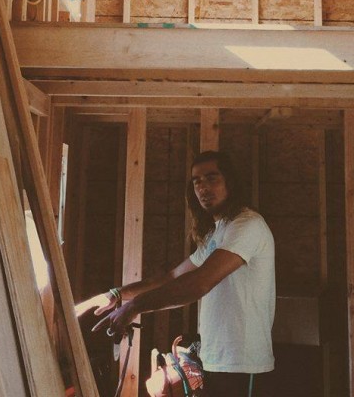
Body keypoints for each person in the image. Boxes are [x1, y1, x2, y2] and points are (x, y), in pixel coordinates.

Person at [76, 150, 276, 397]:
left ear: (230, 182)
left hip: (243, 362)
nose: (203, 188)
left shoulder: (248, 225)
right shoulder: (218, 232)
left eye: (212, 178)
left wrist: (135, 306)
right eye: (197, 182)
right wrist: (118, 295)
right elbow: (173, 278)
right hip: (216, 360)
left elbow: (200, 283)